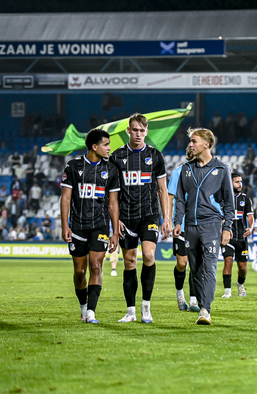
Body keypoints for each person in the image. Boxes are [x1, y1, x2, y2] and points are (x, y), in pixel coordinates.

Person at [109, 113, 171, 324]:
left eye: (142, 130)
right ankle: (130, 311)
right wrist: (114, 220)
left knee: (148, 255)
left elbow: (163, 190)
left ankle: (146, 307)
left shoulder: (155, 156)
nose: (138, 134)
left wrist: (167, 218)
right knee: (129, 261)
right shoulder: (116, 157)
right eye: (135, 130)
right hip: (125, 217)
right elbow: (113, 194)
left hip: (149, 214)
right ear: (128, 130)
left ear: (146, 131)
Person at [174, 128, 234, 325]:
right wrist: (178, 222)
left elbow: (228, 203)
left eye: (194, 141)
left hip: (211, 225)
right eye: (190, 141)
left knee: (209, 267)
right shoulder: (186, 169)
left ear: (206, 144)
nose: (190, 145)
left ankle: (205, 310)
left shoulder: (222, 169)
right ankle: (202, 305)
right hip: (190, 226)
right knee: (196, 269)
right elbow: (181, 200)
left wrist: (227, 228)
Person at [60, 128, 120, 324]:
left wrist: (115, 232)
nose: (109, 148)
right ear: (94, 147)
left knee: (96, 266)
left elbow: (113, 203)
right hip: (77, 226)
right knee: (79, 272)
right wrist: (65, 226)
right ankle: (83, 308)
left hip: (100, 225)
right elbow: (66, 198)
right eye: (106, 144)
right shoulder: (73, 166)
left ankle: (92, 312)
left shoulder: (111, 170)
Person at [168, 145, 200, 312]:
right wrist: (168, 220)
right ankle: (180, 295)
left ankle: (194, 301)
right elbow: (170, 197)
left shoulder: (207, 173)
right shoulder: (178, 172)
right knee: (182, 263)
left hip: (199, 223)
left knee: (195, 264)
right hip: (182, 224)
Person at [221, 172, 254, 298]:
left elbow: (250, 216)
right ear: (230, 183)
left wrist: (250, 227)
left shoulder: (246, 199)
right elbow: (220, 216)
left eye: (241, 182)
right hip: (227, 237)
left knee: (242, 267)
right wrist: (225, 226)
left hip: (242, 237)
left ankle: (240, 284)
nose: (240, 184)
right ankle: (227, 291)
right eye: (237, 182)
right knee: (228, 261)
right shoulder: (223, 199)